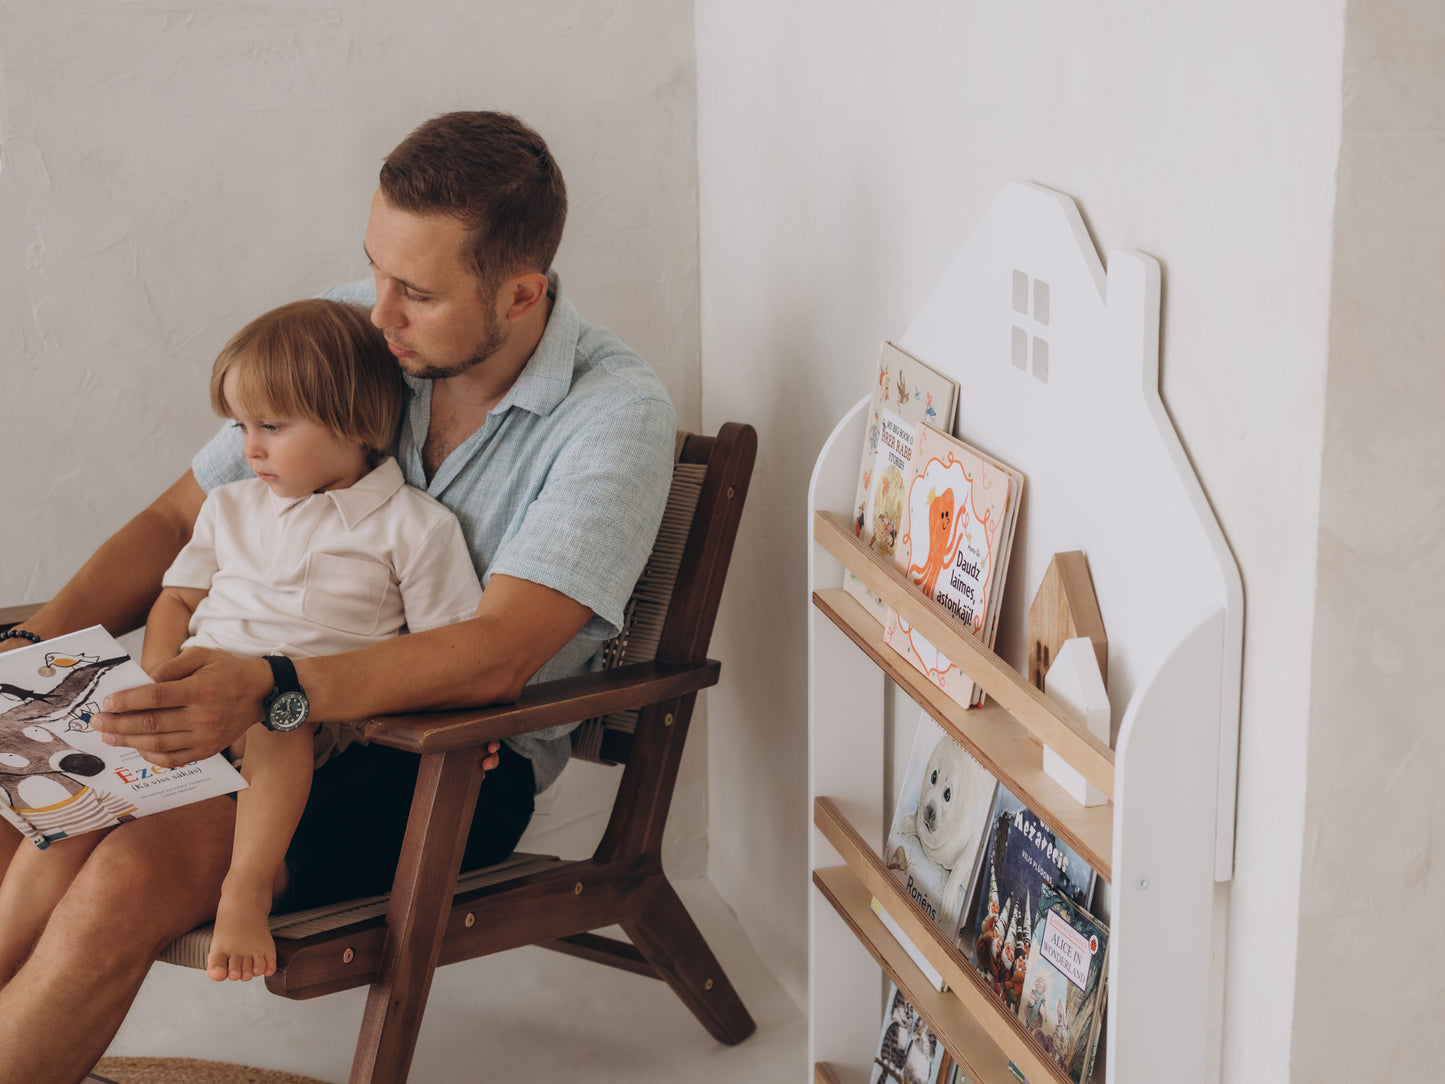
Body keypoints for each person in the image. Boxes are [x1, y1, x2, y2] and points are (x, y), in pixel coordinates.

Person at [0, 111, 676, 1084]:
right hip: (244, 700)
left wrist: (270, 684)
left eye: (417, 292)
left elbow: (496, 652)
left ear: (521, 294)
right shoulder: (359, 333)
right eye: (376, 269)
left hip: (439, 764)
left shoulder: (611, 415)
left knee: (121, 877)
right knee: (19, 797)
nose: (378, 313)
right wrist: (30, 652)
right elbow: (172, 522)